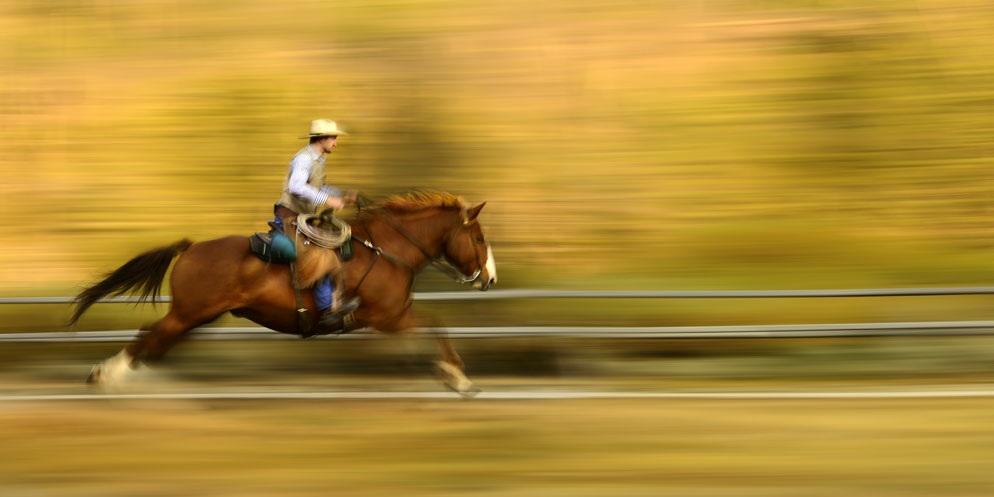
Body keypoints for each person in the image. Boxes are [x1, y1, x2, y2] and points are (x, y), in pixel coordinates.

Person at [273, 118, 359, 332]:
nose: (336, 143)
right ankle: (327, 310)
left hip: (303, 216)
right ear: (321, 139)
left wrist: (341, 195)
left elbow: (319, 187)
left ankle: (335, 300)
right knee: (321, 255)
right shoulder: (303, 158)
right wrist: (328, 201)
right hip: (290, 215)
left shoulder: (318, 160)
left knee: (337, 245)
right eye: (333, 138)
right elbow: (296, 187)